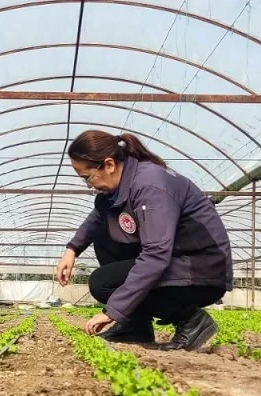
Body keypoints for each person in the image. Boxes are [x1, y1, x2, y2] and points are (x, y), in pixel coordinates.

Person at [55, 130, 232, 350]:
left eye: (87, 177)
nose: (89, 185)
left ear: (109, 165)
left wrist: (113, 311)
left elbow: (156, 255)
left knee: (102, 284)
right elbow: (99, 217)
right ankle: (136, 325)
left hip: (202, 269)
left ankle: (190, 319)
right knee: (104, 231)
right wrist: (72, 249)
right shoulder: (123, 185)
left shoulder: (150, 185)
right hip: (178, 260)